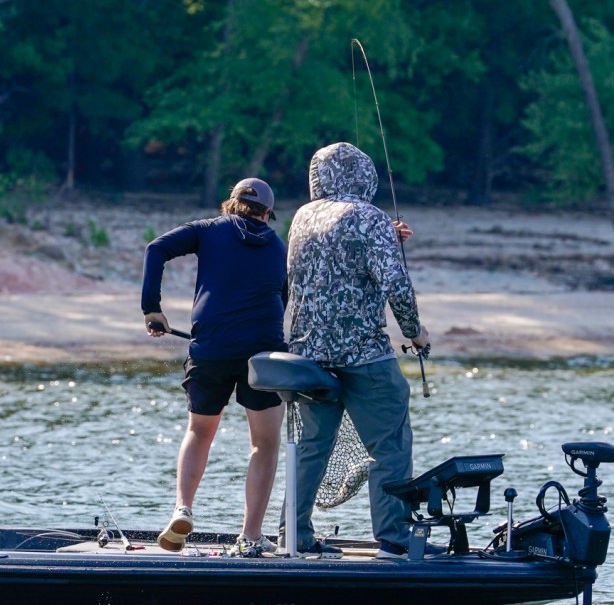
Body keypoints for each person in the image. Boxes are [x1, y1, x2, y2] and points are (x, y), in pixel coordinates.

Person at [280, 141, 431, 560]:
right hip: (364, 355)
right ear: (366, 176)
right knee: (390, 446)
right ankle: (394, 539)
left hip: (309, 357)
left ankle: (294, 534)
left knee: (313, 446)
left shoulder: (303, 216)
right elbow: (396, 284)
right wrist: (415, 332)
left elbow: (331, 258)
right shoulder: (370, 216)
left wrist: (383, 236)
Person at [141, 177, 287, 558]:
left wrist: (151, 307)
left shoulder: (208, 230)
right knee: (264, 444)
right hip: (264, 354)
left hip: (211, 349)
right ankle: (250, 536)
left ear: (231, 204)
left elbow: (156, 248)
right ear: (267, 214)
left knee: (199, 431)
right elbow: (285, 297)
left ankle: (182, 508)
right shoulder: (278, 247)